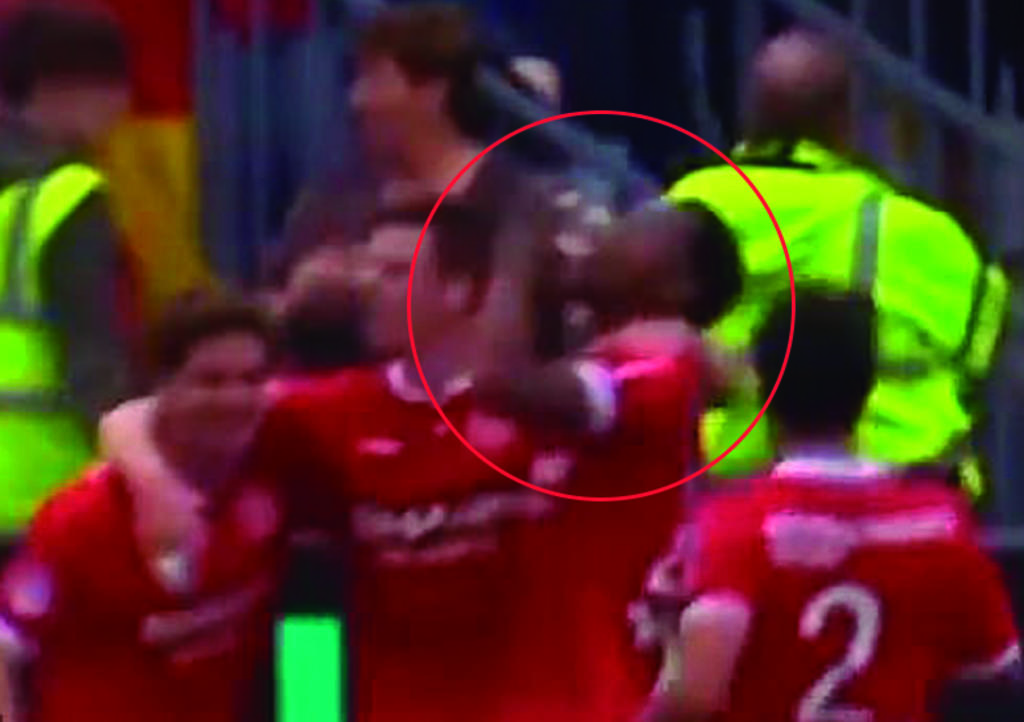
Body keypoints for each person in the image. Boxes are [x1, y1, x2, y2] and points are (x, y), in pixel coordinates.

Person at [100, 199, 744, 722]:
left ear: (463, 290)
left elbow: (513, 379)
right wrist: (157, 487)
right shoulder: (335, 412)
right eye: (367, 269)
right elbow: (146, 419)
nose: (366, 289)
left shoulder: (607, 395)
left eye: (394, 273)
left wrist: (519, 246)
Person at [640, 288, 1021, 722]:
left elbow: (696, 696)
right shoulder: (942, 520)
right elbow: (994, 668)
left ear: (763, 385)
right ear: (868, 385)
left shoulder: (736, 524)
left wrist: (670, 636)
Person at [665, 29, 1010, 500]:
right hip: (914, 490)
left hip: (736, 490)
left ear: (749, 116)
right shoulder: (929, 231)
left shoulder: (689, 207)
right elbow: (976, 354)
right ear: (846, 121)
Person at [0, 293, 278, 722]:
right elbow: (7, 647)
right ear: (162, 387)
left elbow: (311, 619)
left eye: (252, 380)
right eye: (211, 381)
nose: (235, 398)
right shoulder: (85, 517)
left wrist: (313, 713)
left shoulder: (280, 475)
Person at [0, 3, 133, 543]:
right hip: (49, 500)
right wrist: (142, 466)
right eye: (114, 88)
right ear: (59, 86)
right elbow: (94, 361)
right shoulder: (69, 197)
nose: (123, 109)